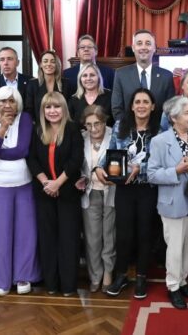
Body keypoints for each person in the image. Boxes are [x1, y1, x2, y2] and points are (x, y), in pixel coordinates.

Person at [148, 96, 188, 309]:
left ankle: (182, 281)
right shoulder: (159, 141)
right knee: (174, 248)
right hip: (174, 201)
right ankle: (173, 286)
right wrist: (177, 170)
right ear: (174, 117)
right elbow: (152, 175)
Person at [0, 86, 40, 296]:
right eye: (3, 101)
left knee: (25, 233)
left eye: (12, 101)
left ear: (18, 103)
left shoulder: (24, 119)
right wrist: (1, 131)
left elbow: (21, 150)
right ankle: (1, 280)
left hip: (23, 184)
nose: (7, 105)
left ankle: (23, 276)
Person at [104, 89, 161, 299]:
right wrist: (102, 169)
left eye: (146, 102)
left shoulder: (159, 130)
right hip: (124, 188)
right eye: (137, 101)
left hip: (147, 188)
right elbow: (110, 153)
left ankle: (141, 277)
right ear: (131, 106)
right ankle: (121, 275)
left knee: (145, 232)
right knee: (124, 233)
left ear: (153, 106)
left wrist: (139, 168)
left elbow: (159, 161)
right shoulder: (120, 126)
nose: (141, 105)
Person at [26, 91, 84, 296]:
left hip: (67, 193)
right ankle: (51, 284)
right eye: (48, 107)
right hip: (44, 193)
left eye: (56, 106)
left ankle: (68, 286)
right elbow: (31, 159)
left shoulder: (73, 128)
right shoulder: (37, 130)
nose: (52, 111)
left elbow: (76, 160)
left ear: (64, 108)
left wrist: (57, 183)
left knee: (68, 240)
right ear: (43, 110)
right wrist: (45, 183)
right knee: (48, 239)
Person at [78, 105, 115, 293]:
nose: (93, 129)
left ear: (104, 121)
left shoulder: (114, 135)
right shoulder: (82, 138)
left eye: (97, 124)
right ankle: (95, 275)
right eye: (89, 125)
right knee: (92, 238)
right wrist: (81, 179)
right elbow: (80, 167)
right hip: (89, 193)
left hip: (111, 193)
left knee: (109, 235)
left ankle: (108, 272)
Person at [111, 29, 175, 121]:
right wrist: (129, 130)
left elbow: (170, 109)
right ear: (133, 48)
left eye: (148, 43)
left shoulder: (166, 76)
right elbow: (117, 109)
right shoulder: (121, 74)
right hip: (128, 131)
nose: (143, 47)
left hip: (158, 132)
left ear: (154, 48)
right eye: (139, 43)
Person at [26, 50, 75, 122]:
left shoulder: (67, 84)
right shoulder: (32, 84)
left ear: (57, 65)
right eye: (45, 61)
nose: (49, 64)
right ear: (41, 65)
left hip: (62, 125)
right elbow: (29, 109)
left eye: (52, 61)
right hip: (39, 127)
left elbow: (70, 108)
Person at [0, 47, 33, 117]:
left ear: (17, 62)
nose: (6, 63)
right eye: (2, 59)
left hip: (24, 124)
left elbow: (32, 109)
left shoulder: (30, 81)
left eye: (10, 59)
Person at [67, 63, 113, 127]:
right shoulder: (74, 99)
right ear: (80, 79)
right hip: (79, 136)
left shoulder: (110, 96)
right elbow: (70, 125)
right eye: (85, 75)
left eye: (92, 75)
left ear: (98, 77)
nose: (88, 78)